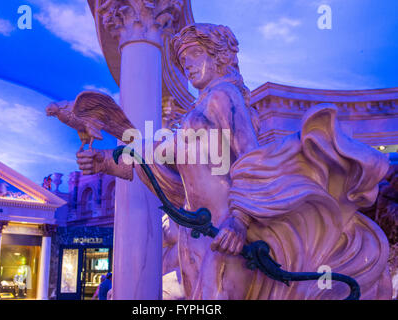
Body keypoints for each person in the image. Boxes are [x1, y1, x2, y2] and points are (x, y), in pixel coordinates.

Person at [76, 23, 392, 299]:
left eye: (194, 53)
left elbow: (250, 158)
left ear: (219, 56)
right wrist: (104, 161)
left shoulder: (224, 95)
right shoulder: (195, 112)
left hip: (225, 231)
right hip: (197, 230)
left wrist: (239, 221)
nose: (186, 62)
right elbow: (164, 166)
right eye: (183, 58)